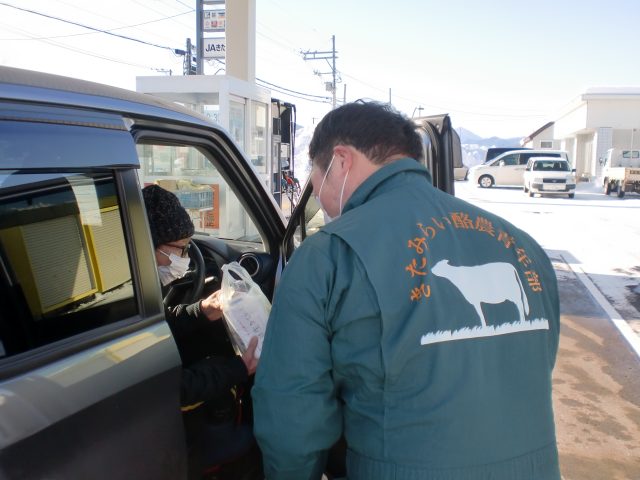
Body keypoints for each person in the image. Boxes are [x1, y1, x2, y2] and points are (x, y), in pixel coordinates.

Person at [252, 101, 561, 480]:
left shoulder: (328, 255)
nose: (322, 203)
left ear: (341, 161)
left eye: (317, 186)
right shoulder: (522, 246)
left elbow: (293, 414)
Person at [142, 184, 259, 477]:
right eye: (179, 248)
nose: (185, 257)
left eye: (189, 246)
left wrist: (200, 311)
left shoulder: (132, 283)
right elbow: (173, 388)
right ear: (147, 243)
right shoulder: (123, 298)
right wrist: (236, 369)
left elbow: (159, 326)